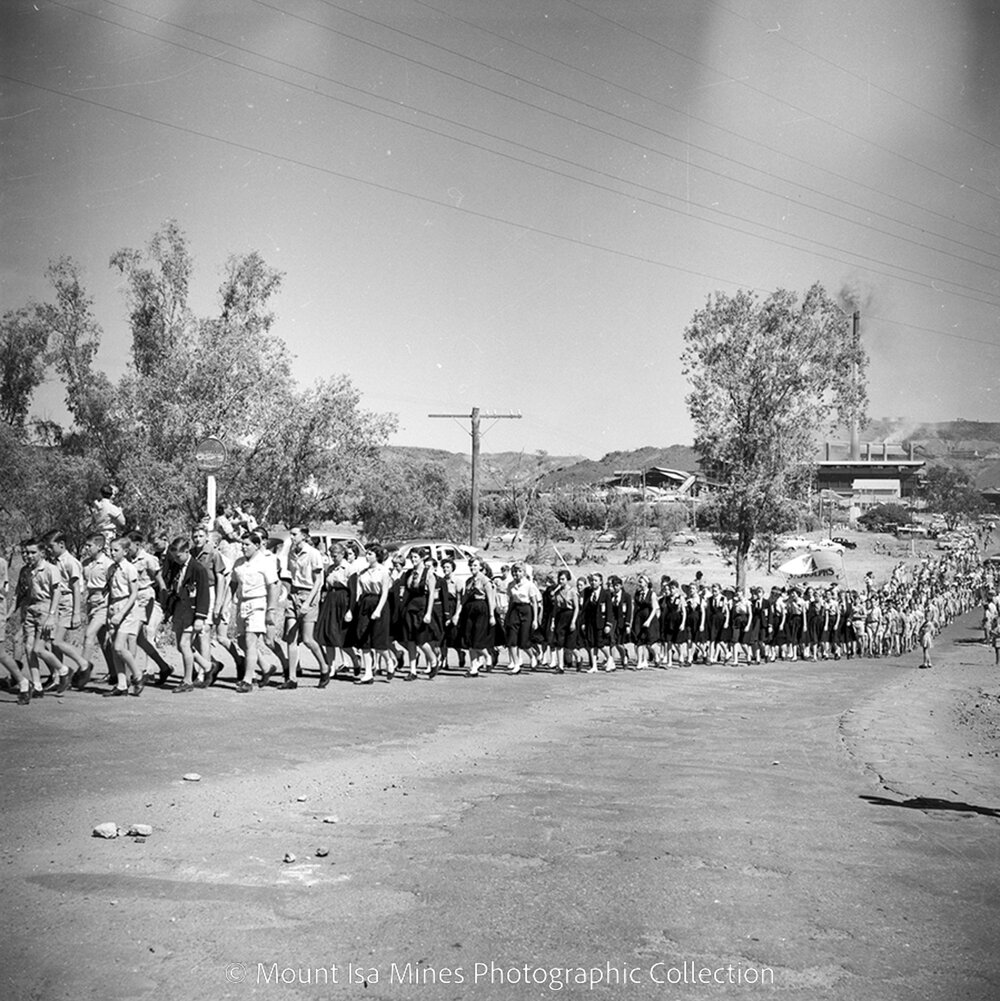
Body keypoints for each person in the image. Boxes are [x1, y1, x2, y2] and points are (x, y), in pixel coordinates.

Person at [230, 531, 282, 693]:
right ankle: (266, 667)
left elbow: (273, 586)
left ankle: (248, 679)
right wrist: (225, 602)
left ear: (257, 545)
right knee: (242, 641)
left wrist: (271, 610)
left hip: (258, 603)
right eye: (242, 544)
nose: (243, 548)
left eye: (247, 545)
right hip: (242, 604)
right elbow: (232, 583)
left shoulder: (265, 563)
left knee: (251, 641)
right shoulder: (238, 563)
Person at [162, 537, 211, 692]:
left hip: (192, 611)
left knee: (184, 644)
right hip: (179, 610)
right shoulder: (177, 567)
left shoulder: (198, 569)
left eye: (178, 556)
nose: (176, 560)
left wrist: (200, 617)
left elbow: (204, 594)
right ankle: (209, 666)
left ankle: (187, 681)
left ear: (186, 551)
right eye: (174, 557)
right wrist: (168, 610)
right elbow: (174, 589)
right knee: (181, 646)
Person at [43, 531, 90, 690]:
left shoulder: (71, 562)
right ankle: (58, 676)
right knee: (52, 642)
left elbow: (76, 587)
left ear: (61, 544)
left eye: (51, 546)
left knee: (57, 641)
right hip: (56, 601)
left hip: (68, 602)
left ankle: (83, 664)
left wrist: (76, 613)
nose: (48, 550)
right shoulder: (54, 562)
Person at [282, 526, 325, 689]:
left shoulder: (313, 554)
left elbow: (318, 581)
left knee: (307, 639)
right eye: (290, 534)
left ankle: (324, 667)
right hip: (293, 594)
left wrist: (308, 603)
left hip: (309, 595)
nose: (291, 537)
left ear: (304, 536)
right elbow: (289, 576)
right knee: (290, 637)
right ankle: (292, 678)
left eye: (294, 534)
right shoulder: (291, 553)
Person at [104, 536, 143, 697]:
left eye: (116, 550)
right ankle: (122, 685)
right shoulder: (112, 568)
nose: (112, 553)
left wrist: (121, 613)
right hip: (114, 606)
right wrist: (110, 610)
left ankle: (137, 675)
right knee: (114, 649)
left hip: (127, 609)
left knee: (120, 646)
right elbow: (109, 591)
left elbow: (134, 594)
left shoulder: (129, 568)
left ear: (125, 551)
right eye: (111, 549)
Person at [349, 545, 391, 684]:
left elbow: (385, 592)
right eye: (366, 553)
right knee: (363, 639)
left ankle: (389, 661)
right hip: (365, 603)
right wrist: (352, 609)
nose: (367, 556)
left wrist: (378, 609)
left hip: (379, 602)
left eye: (370, 554)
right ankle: (367, 673)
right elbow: (359, 592)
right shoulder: (363, 572)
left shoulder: (383, 571)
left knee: (378, 640)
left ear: (377, 556)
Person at [459, 556, 495, 677]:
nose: (472, 568)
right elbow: (464, 598)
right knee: (469, 639)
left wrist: (491, 615)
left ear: (480, 566)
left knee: (477, 639)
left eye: (475, 565)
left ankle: (487, 656)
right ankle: (473, 667)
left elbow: (490, 599)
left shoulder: (485, 580)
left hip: (481, 608)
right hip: (469, 609)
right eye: (471, 565)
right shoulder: (468, 581)